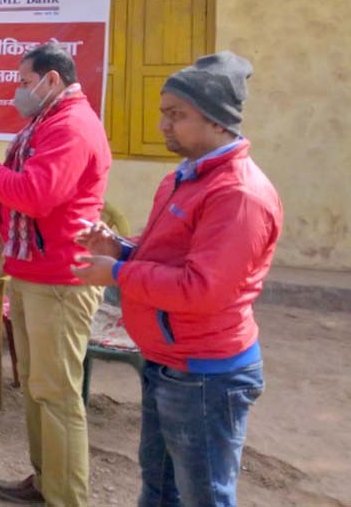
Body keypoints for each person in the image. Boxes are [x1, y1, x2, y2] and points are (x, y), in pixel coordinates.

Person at [72, 52, 282, 507]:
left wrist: (119, 272)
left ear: (219, 121)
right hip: (168, 362)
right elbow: (170, 254)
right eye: (164, 113)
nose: (164, 125)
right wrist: (121, 249)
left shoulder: (238, 195)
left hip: (205, 374)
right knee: (160, 488)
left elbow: (202, 289)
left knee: (203, 495)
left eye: (177, 115)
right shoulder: (184, 178)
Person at [0, 42, 112, 505]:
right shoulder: (48, 120)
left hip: (60, 277)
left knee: (57, 394)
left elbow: (36, 195)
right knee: (41, 389)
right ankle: (45, 480)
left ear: (52, 80)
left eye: (24, 82)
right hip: (34, 271)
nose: (18, 92)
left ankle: (66, 496)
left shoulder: (72, 126)